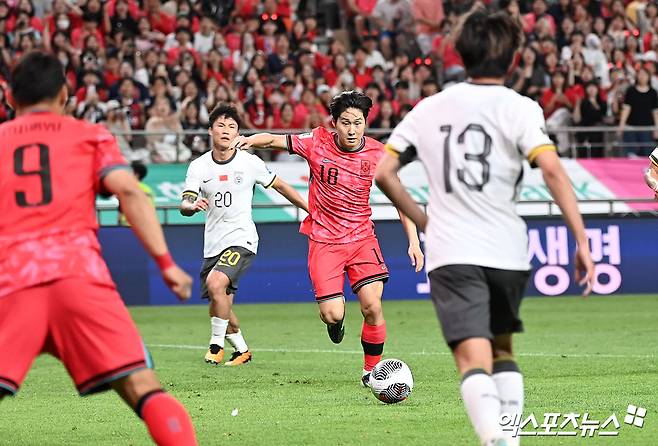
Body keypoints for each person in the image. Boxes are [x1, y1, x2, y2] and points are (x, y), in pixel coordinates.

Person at [374, 10, 595, 446]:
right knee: (502, 350)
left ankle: (495, 438)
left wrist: (423, 221)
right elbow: (551, 170)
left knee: (471, 359)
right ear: (513, 59)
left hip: (452, 250)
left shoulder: (429, 109)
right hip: (506, 250)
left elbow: (384, 173)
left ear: (461, 54)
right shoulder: (522, 108)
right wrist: (582, 239)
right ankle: (507, 438)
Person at [0, 51, 197, 445]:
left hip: (11, 281)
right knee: (143, 386)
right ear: (65, 95)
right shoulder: (89, 135)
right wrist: (166, 263)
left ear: (9, 97)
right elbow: (128, 191)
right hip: (79, 278)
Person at [230, 90, 425, 386]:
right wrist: (248, 140)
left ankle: (371, 371)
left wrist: (414, 240)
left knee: (372, 305)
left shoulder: (376, 155)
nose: (351, 129)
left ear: (365, 124)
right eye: (345, 122)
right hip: (324, 242)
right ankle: (337, 323)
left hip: (362, 239)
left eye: (357, 123)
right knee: (333, 315)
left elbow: (401, 200)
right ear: (334, 123)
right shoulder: (316, 142)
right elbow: (273, 140)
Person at [180, 103, 308, 366]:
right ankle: (242, 351)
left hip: (242, 239)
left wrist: (309, 209)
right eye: (220, 126)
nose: (226, 131)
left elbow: (281, 185)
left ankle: (215, 346)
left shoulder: (249, 163)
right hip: (212, 244)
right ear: (210, 130)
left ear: (238, 133)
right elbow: (186, 201)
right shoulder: (199, 166)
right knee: (219, 304)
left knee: (217, 285)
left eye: (232, 127)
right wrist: (191, 207)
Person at [118, 161, 156, 225]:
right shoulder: (148, 189)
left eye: (129, 172)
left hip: (130, 225)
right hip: (142, 225)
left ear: (136, 175)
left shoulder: (128, 188)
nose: (127, 174)